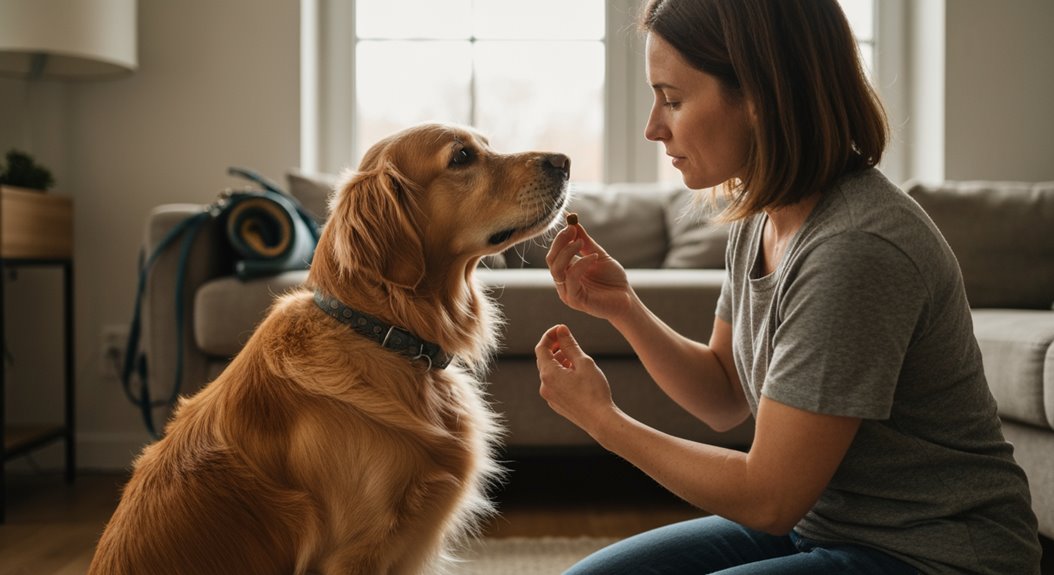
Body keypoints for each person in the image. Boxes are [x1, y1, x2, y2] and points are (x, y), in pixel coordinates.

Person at [534, 0, 1042, 573]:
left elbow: (768, 498)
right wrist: (624, 307)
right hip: (823, 527)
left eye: (673, 99)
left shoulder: (855, 247)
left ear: (759, 97)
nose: (654, 127)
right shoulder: (760, 215)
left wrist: (604, 422)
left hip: (933, 554)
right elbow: (724, 393)